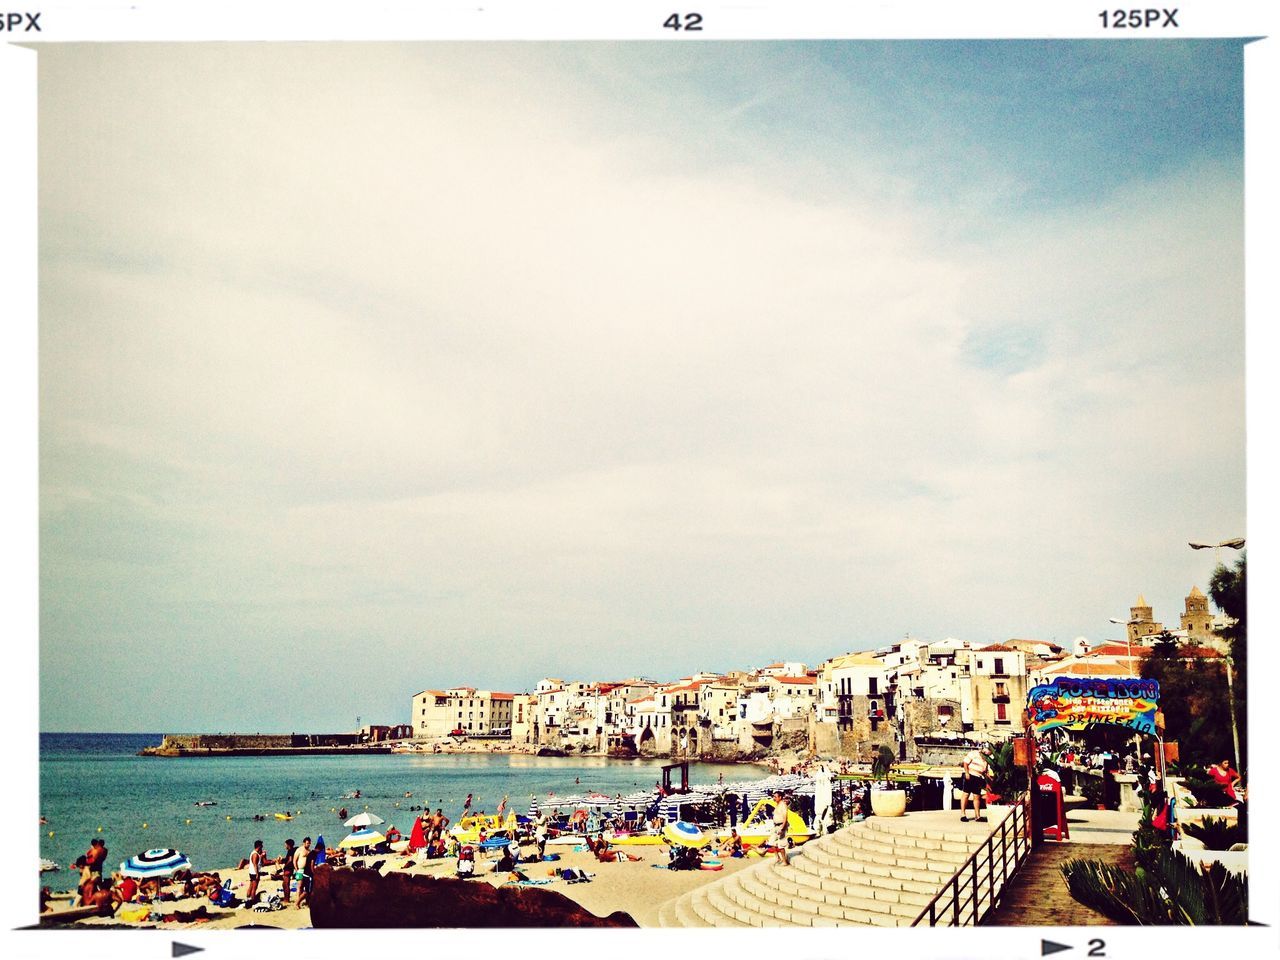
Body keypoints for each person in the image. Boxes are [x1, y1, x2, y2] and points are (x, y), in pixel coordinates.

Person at [960, 745, 990, 823]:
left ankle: (977, 816)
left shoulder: (986, 760)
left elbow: (985, 771)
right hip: (970, 775)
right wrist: (967, 773)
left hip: (978, 777)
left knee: (976, 796)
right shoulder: (973, 754)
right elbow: (965, 763)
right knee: (966, 794)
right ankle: (963, 814)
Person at [771, 791, 791, 866]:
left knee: (781, 845)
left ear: (780, 797)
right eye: (774, 797)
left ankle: (784, 861)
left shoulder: (783, 805)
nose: (774, 798)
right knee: (772, 843)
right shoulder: (777, 805)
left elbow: (785, 818)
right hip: (776, 826)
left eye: (775, 797)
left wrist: (782, 828)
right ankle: (778, 858)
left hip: (781, 826)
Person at [293, 838, 313, 910]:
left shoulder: (309, 851)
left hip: (306, 871)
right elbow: (294, 860)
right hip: (300, 870)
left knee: (307, 887)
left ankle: (306, 901)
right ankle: (297, 903)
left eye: (309, 843)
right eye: (307, 843)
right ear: (304, 843)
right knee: (300, 886)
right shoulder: (299, 850)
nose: (308, 844)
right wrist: (296, 870)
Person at [246, 839, 267, 903]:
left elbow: (259, 862)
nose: (262, 847)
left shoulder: (255, 853)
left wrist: (263, 856)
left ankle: (248, 898)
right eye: (261, 846)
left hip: (252, 872)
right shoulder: (255, 854)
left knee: (251, 886)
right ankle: (252, 900)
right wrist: (257, 874)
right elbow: (255, 865)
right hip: (254, 873)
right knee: (254, 888)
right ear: (259, 846)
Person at [277, 838, 296, 903]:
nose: (285, 846)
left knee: (286, 884)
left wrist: (285, 866)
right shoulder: (292, 850)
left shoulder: (290, 851)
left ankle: (287, 899)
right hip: (290, 869)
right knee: (284, 884)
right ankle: (286, 898)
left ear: (288, 845)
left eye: (285, 845)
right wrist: (282, 860)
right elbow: (289, 859)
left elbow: (290, 860)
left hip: (288, 869)